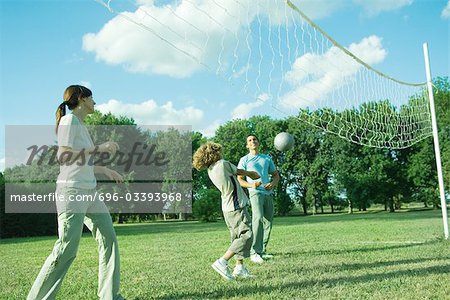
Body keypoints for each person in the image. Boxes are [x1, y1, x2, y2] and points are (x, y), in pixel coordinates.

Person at [27, 85, 125, 300]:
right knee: (66, 250)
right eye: (92, 98)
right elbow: (65, 155)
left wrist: (105, 170)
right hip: (72, 192)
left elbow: (81, 161)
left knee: (109, 239)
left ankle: (110, 296)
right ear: (81, 99)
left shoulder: (80, 125)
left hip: (89, 192)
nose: (95, 103)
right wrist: (100, 148)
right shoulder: (69, 121)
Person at [193, 142, 261, 280]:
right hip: (236, 207)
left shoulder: (211, 169)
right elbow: (239, 172)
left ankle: (239, 267)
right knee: (246, 235)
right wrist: (251, 174)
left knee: (237, 238)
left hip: (227, 208)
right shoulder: (223, 164)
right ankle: (222, 261)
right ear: (215, 152)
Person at [237, 134, 280, 264]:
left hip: (268, 194)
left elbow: (276, 175)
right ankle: (254, 252)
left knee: (268, 222)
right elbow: (240, 180)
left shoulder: (267, 159)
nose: (252, 141)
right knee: (258, 219)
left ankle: (262, 251)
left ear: (258, 142)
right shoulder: (244, 160)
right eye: (249, 140)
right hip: (255, 193)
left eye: (254, 139)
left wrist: (272, 184)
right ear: (247, 145)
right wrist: (251, 184)